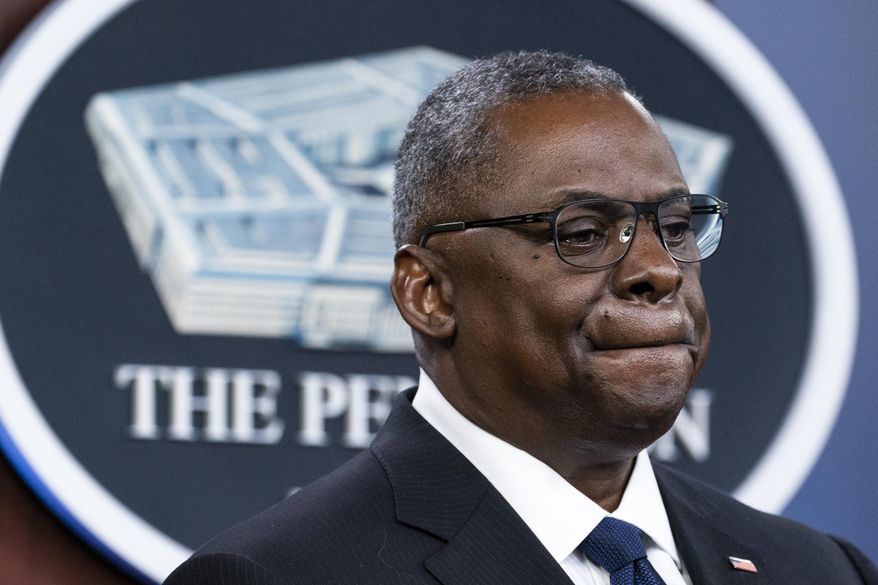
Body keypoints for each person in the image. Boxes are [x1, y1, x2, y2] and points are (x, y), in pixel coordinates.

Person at [164, 51, 877, 585]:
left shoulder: (820, 569)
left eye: (677, 224)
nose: (658, 270)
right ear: (430, 294)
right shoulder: (280, 575)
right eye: (584, 232)